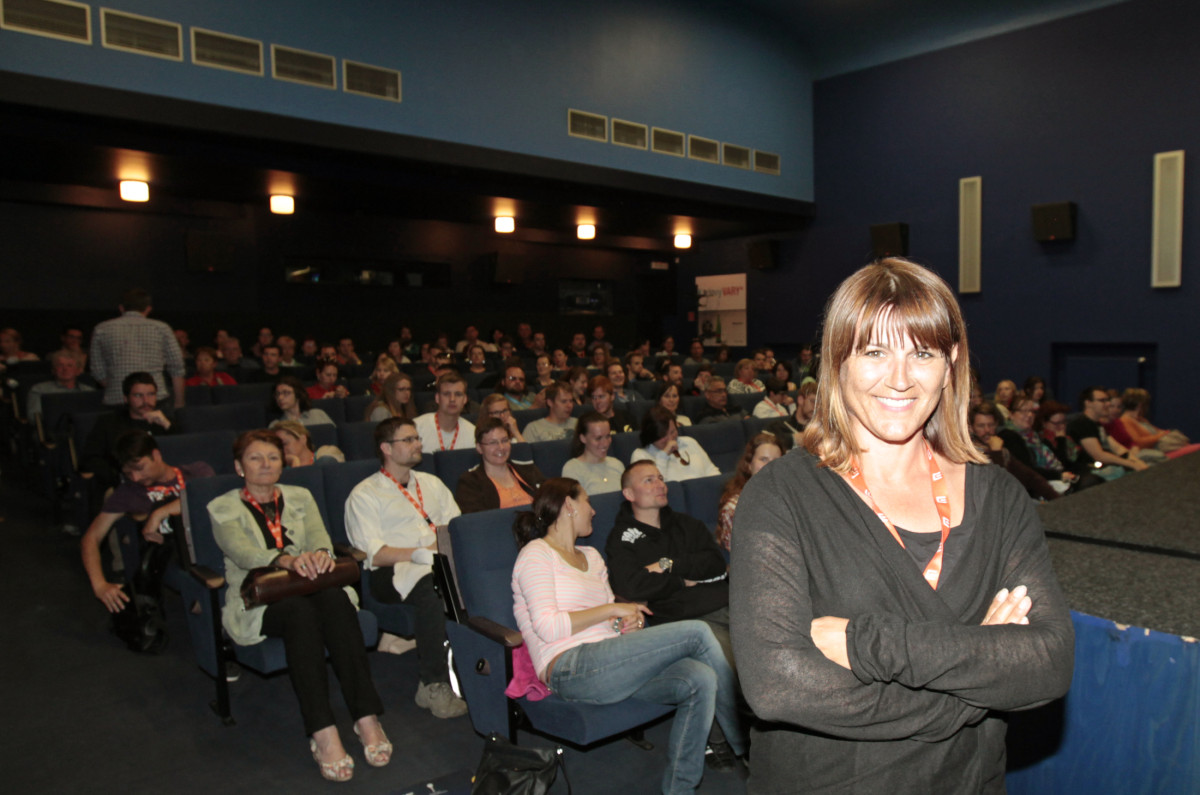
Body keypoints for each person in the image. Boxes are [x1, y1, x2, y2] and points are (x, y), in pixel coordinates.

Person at [729, 258, 1074, 793]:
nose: (899, 378)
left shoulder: (1000, 497)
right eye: (874, 352)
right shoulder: (780, 495)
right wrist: (978, 670)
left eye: (922, 353)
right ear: (838, 362)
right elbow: (780, 686)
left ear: (950, 363)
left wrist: (864, 643)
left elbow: (1048, 663)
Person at [511, 478, 746, 794]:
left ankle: (680, 789)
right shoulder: (536, 555)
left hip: (610, 663)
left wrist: (624, 624)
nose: (593, 510)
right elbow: (548, 627)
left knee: (700, 677)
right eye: (587, 502)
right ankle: (748, 748)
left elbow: (610, 623)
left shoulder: (592, 556)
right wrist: (611, 610)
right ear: (568, 505)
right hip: (568, 667)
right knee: (699, 632)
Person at [209, 430, 389, 781]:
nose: (265, 464)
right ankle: (322, 730)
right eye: (255, 458)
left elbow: (320, 539)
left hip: (309, 583)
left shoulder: (299, 496)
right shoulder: (222, 507)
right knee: (299, 613)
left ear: (283, 463)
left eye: (273, 457)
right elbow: (241, 552)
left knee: (336, 599)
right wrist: (285, 560)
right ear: (239, 466)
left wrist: (320, 556)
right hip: (259, 598)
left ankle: (366, 717)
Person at [344, 417, 467, 719]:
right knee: (433, 585)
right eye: (408, 440)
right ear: (386, 448)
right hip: (392, 572)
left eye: (417, 438)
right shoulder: (365, 494)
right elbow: (374, 554)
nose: (417, 444)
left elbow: (456, 527)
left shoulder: (431, 483)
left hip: (439, 561)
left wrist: (438, 551)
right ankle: (433, 683)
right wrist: (419, 554)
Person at [81, 431, 214, 645]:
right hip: (177, 555)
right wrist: (100, 585)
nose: (135, 478)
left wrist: (161, 513)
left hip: (213, 541)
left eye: (139, 468)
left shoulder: (197, 472)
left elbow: (213, 498)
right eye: (128, 473)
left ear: (156, 455)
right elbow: (91, 537)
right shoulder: (128, 493)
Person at [80, 373, 178, 491]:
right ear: (126, 398)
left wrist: (168, 426)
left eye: (151, 394)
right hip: (123, 483)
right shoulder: (108, 423)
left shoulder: (165, 423)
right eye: (138, 395)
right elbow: (89, 459)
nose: (146, 401)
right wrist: (120, 474)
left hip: (163, 484)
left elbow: (182, 455)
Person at [88, 288, 186, 408]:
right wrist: (179, 402)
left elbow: (97, 371)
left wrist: (118, 385)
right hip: (154, 398)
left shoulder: (101, 329)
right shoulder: (162, 328)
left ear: (121, 308)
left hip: (117, 398)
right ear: (148, 309)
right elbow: (177, 368)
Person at [455, 417, 546, 513]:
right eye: (493, 443)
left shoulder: (528, 470)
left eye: (504, 440)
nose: (501, 447)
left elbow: (550, 499)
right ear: (479, 448)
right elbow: (476, 519)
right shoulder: (470, 483)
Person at [715, 433, 783, 551]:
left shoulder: (789, 497)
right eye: (763, 459)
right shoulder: (734, 508)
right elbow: (748, 554)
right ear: (748, 465)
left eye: (776, 461)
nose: (770, 466)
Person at [1067, 386, 1150, 477]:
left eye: (1107, 400)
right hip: (1087, 472)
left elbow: (1117, 448)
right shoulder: (1082, 424)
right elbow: (1099, 456)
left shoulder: (1097, 424)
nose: (1108, 404)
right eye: (1102, 401)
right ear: (1088, 403)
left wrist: (1137, 462)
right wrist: (1131, 464)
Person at [631, 406, 719, 481]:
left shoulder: (689, 442)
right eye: (663, 435)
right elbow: (655, 486)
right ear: (651, 436)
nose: (670, 439)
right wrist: (663, 455)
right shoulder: (641, 455)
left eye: (673, 432)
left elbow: (711, 469)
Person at [1117, 388, 1195, 455]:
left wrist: (1167, 433)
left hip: (1161, 446)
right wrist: (1161, 436)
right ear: (1140, 405)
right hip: (1153, 451)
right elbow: (1137, 442)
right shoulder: (1125, 420)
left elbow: (1158, 431)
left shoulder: (1141, 419)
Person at [562, 412, 625, 494]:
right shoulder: (573, 469)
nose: (605, 444)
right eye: (598, 438)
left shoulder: (617, 464)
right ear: (583, 438)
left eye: (608, 436)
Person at [414, 372, 475, 453]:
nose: (452, 399)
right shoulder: (416, 427)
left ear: (465, 399)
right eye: (446, 394)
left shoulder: (472, 433)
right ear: (437, 398)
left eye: (458, 394)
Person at [26, 350, 95, 421]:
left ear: (78, 371)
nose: (65, 369)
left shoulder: (89, 392)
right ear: (53, 370)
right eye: (60, 365)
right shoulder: (39, 390)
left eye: (70, 365)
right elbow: (34, 418)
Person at [268, 376, 335, 427]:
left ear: (298, 394)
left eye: (285, 393)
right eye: (277, 394)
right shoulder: (276, 425)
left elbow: (334, 435)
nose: (280, 398)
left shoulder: (318, 414)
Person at [274, 420, 345, 466]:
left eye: (285, 444)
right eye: (278, 446)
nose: (281, 449)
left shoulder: (326, 453)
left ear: (303, 439)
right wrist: (294, 461)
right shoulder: (280, 469)